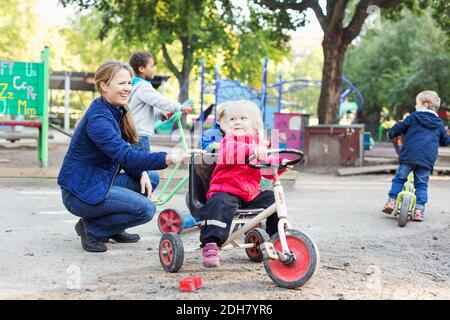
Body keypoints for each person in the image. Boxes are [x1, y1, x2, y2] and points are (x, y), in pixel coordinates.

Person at [58, 60, 190, 253]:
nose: (128, 88)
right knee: (146, 210)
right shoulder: (99, 120)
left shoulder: (115, 110)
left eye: (129, 83)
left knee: (149, 178)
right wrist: (169, 158)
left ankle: (114, 228)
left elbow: (124, 154)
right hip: (80, 193)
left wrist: (141, 173)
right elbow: (126, 155)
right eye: (121, 83)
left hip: (97, 181)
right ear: (104, 86)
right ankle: (92, 229)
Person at [199, 100, 288, 268]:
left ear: (255, 125)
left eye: (242, 118)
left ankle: (276, 238)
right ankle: (211, 244)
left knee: (273, 198)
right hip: (226, 190)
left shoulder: (260, 145)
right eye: (232, 120)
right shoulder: (228, 142)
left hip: (250, 195)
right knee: (220, 203)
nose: (237, 122)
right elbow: (231, 151)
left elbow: (267, 171)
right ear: (226, 126)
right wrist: (252, 150)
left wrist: (281, 165)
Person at [128, 51, 191, 197]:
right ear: (142, 68)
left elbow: (143, 105)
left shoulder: (133, 86)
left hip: (133, 133)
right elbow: (158, 100)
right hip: (140, 136)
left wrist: (160, 113)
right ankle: (140, 199)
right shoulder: (144, 86)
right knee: (144, 171)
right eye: (151, 66)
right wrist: (179, 107)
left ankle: (136, 196)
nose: (154, 69)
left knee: (139, 170)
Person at [382, 91, 450, 221]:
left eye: (416, 104)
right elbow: (445, 141)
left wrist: (391, 133)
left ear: (424, 104)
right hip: (426, 159)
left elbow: (399, 128)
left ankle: (391, 201)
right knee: (422, 184)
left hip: (409, 156)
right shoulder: (439, 124)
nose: (415, 106)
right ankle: (419, 210)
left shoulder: (413, 117)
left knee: (400, 178)